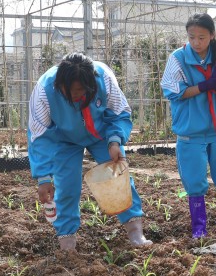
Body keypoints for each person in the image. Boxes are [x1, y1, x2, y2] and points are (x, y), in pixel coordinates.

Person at [27, 52, 151, 251]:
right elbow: (39, 137)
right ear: (59, 84)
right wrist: (43, 177)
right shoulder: (44, 91)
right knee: (66, 186)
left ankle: (136, 232)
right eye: (69, 90)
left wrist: (115, 141)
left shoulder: (104, 78)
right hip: (64, 139)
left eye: (80, 90)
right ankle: (67, 242)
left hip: (103, 134)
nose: (74, 95)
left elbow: (119, 113)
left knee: (119, 177)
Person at [160, 13, 216, 239]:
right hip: (190, 134)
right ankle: (199, 230)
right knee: (194, 181)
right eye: (191, 37)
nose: (196, 42)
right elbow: (174, 92)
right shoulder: (178, 58)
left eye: (201, 37)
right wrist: (205, 85)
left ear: (212, 35)